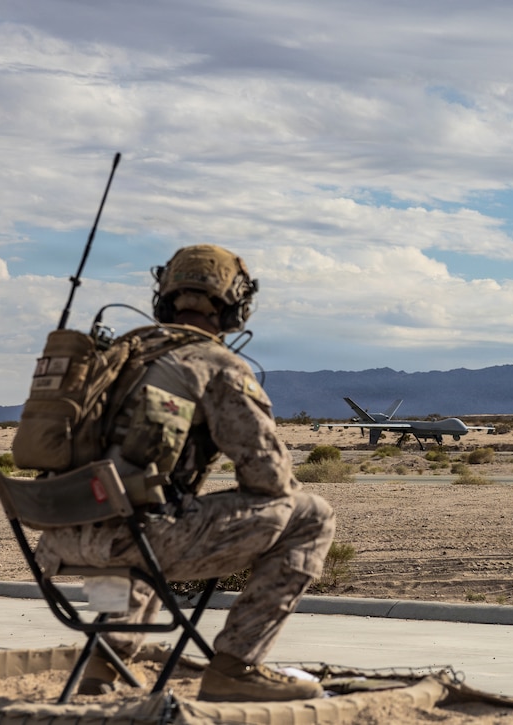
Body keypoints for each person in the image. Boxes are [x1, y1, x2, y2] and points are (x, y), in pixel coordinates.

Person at [35, 244, 335, 702]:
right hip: (134, 539)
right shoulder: (216, 364)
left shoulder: (118, 354)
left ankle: (103, 665)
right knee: (311, 516)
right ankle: (235, 667)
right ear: (234, 304)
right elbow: (270, 478)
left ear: (165, 296)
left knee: (142, 511)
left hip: (60, 536)